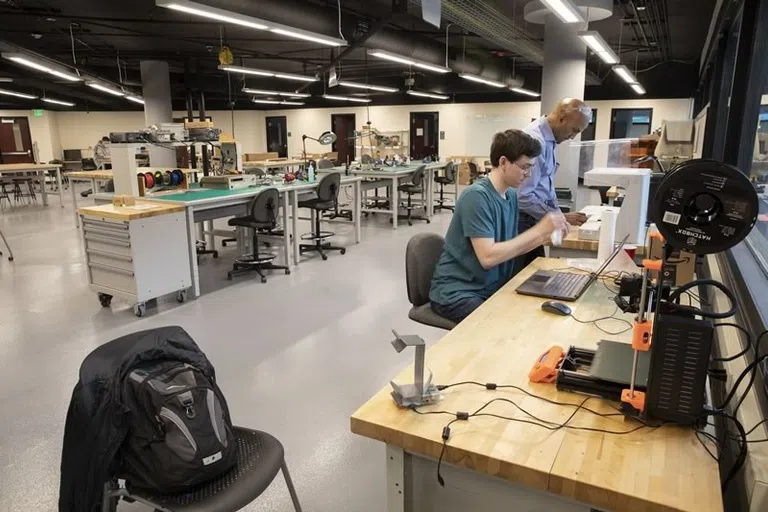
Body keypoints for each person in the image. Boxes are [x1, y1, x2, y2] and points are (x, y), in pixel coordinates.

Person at [429, 130, 569, 324]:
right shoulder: (476, 197)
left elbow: (511, 246)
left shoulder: (511, 196)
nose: (528, 174)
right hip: (458, 293)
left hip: (491, 286)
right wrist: (539, 231)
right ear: (503, 162)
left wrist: (546, 235)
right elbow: (488, 257)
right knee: (503, 327)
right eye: (524, 167)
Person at [518, 98, 592, 268]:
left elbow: (546, 187)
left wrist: (559, 215)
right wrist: (558, 217)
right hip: (522, 220)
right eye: (573, 130)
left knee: (537, 271)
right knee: (525, 275)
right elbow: (522, 196)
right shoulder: (535, 140)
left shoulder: (549, 139)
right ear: (561, 118)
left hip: (534, 218)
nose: (572, 136)